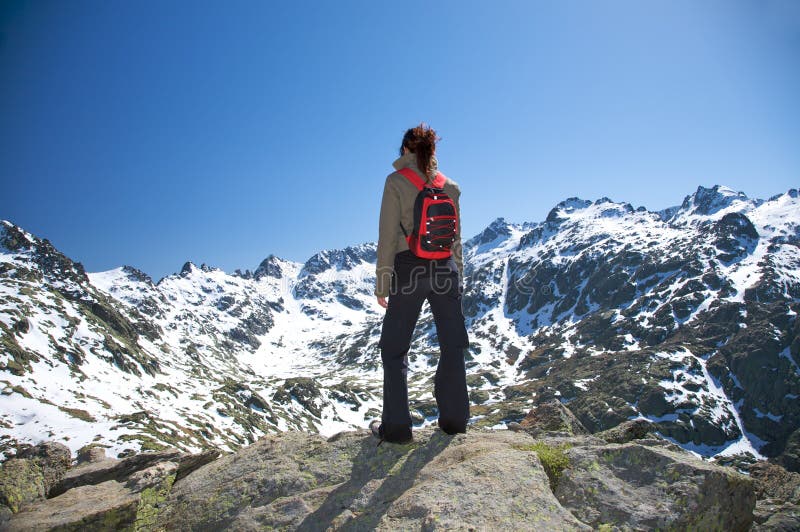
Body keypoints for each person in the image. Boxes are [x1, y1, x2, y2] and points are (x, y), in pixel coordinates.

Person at [371, 123, 470, 444]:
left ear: (404, 151)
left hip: (409, 268)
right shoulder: (450, 186)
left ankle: (397, 429)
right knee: (452, 344)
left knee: (394, 348)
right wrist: (458, 277)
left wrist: (383, 284)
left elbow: (387, 237)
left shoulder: (395, 182)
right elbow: (456, 238)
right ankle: (455, 420)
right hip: (445, 269)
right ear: (432, 153)